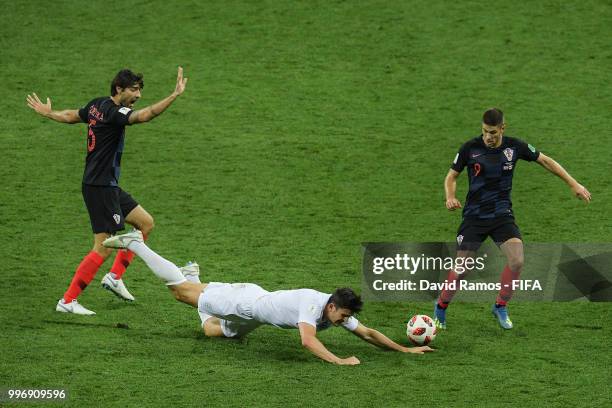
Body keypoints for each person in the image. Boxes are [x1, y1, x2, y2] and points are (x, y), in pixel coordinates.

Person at [102, 230, 434, 365]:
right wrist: (340, 361)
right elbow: (307, 341)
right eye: (343, 316)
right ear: (331, 306)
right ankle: (136, 243)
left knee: (212, 332)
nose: (345, 321)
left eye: (346, 317)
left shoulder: (336, 312)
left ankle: (195, 277)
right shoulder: (313, 305)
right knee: (179, 294)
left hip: (254, 315)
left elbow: (368, 334)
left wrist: (405, 348)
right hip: (244, 303)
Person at [26, 67, 188, 315]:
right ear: (118, 89)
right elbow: (145, 116)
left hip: (107, 185)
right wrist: (174, 95)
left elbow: (72, 115)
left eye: (140, 90)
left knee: (145, 224)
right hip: (99, 187)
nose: (138, 95)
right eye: (134, 90)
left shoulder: (96, 105)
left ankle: (114, 277)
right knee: (103, 247)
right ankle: (68, 301)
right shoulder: (114, 113)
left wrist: (50, 114)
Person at [435, 108, 591, 329]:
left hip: (501, 216)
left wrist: (573, 183)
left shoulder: (514, 147)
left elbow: (546, 161)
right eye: (485, 131)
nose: (488, 137)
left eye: (493, 132)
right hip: (474, 217)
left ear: (502, 128)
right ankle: (441, 306)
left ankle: (500, 305)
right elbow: (452, 176)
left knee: (517, 260)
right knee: (463, 268)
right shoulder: (470, 148)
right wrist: (450, 196)